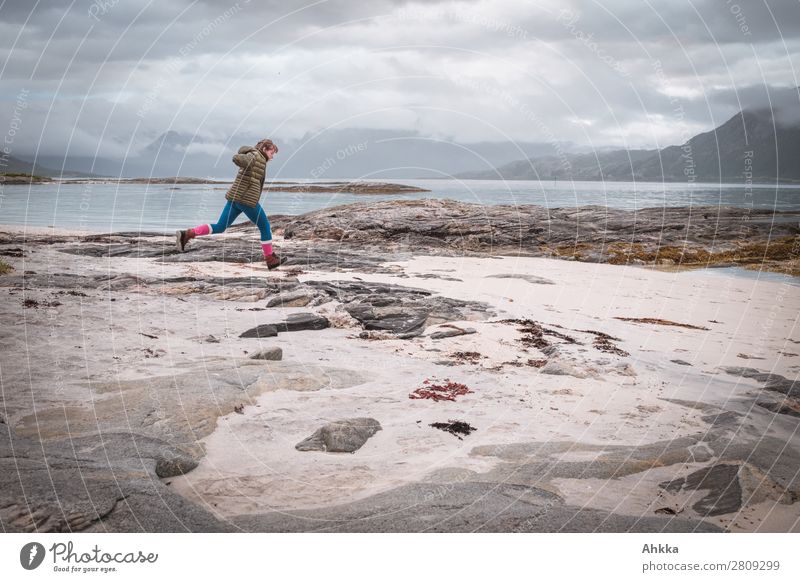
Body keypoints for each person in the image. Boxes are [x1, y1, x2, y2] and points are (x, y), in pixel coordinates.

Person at [176, 138, 286, 269]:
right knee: (265, 226)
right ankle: (270, 259)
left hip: (235, 198)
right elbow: (239, 159)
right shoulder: (256, 156)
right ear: (264, 149)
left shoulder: (257, 158)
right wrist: (241, 159)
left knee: (220, 226)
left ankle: (187, 234)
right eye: (272, 153)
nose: (272, 157)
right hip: (246, 200)